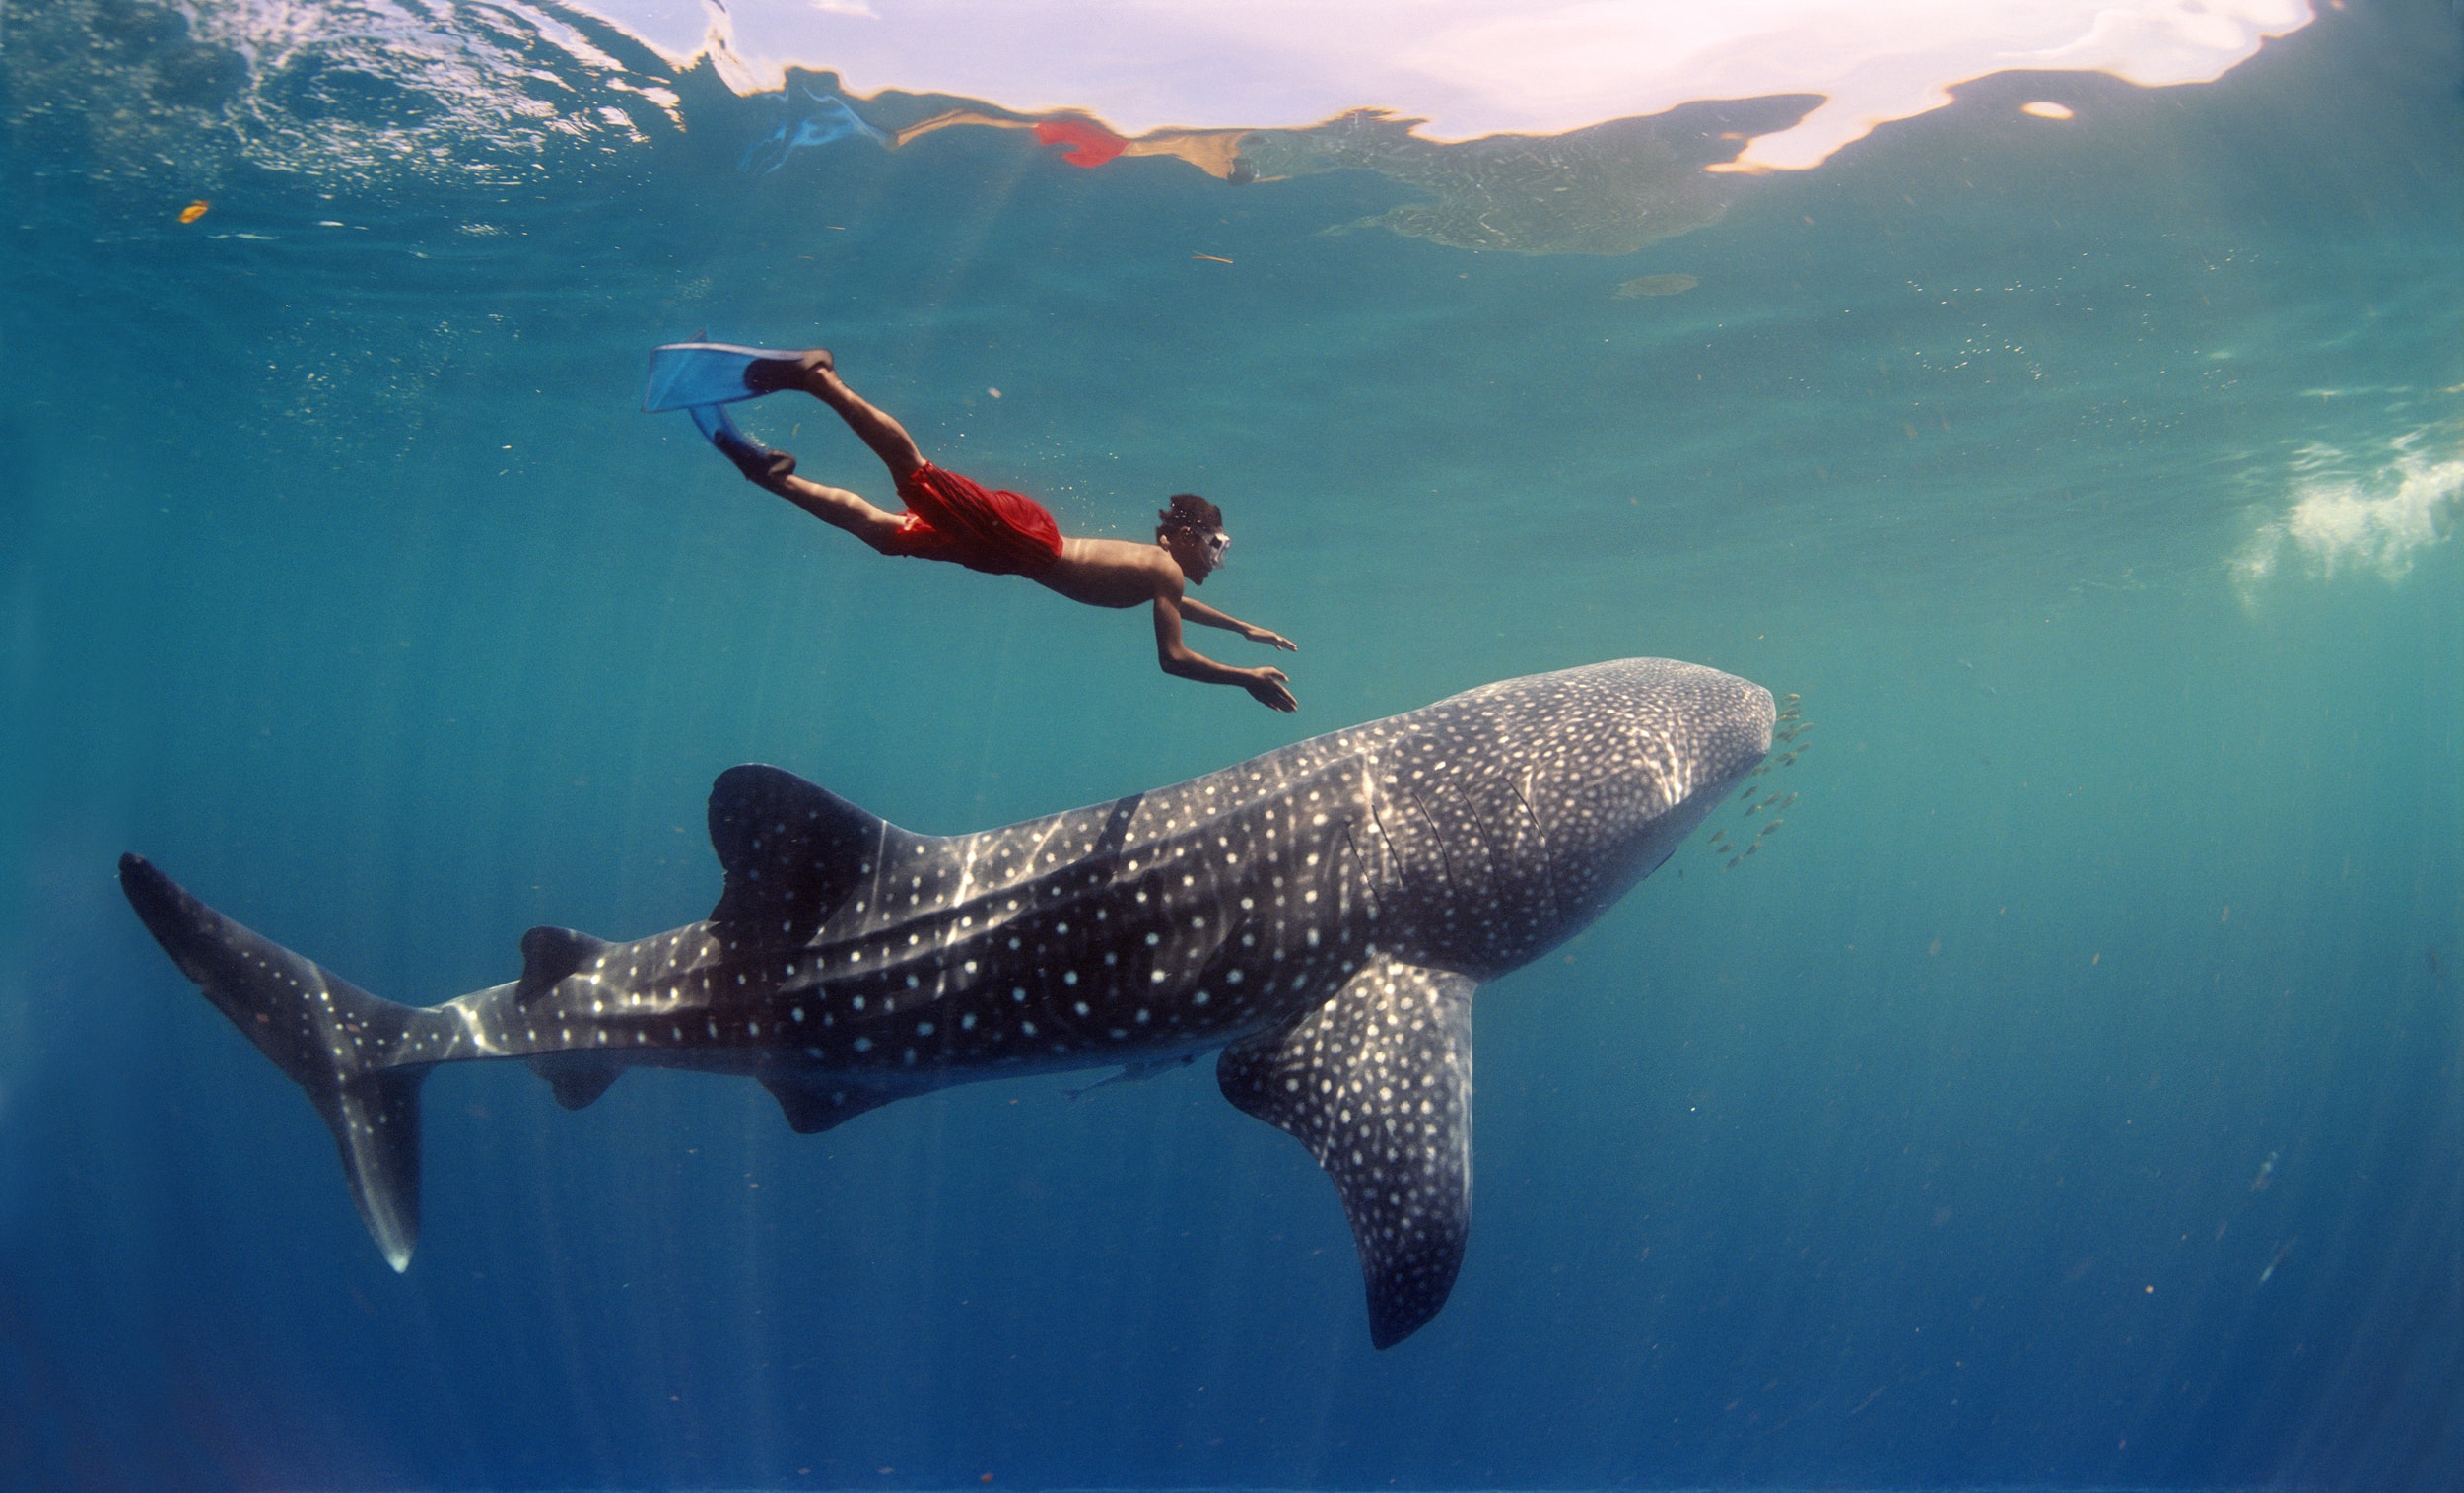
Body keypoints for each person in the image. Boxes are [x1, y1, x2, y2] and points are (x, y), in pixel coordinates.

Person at [715, 350, 1299, 712]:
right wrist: (1244, 677)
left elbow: (1176, 606)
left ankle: (774, 479)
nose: (1216, 561)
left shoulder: (1162, 576)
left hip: (1012, 552)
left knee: (888, 535)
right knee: (914, 473)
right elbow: (1172, 658)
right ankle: (820, 380)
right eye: (1216, 545)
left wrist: (1244, 628)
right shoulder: (1166, 570)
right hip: (1020, 540)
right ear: (1186, 537)